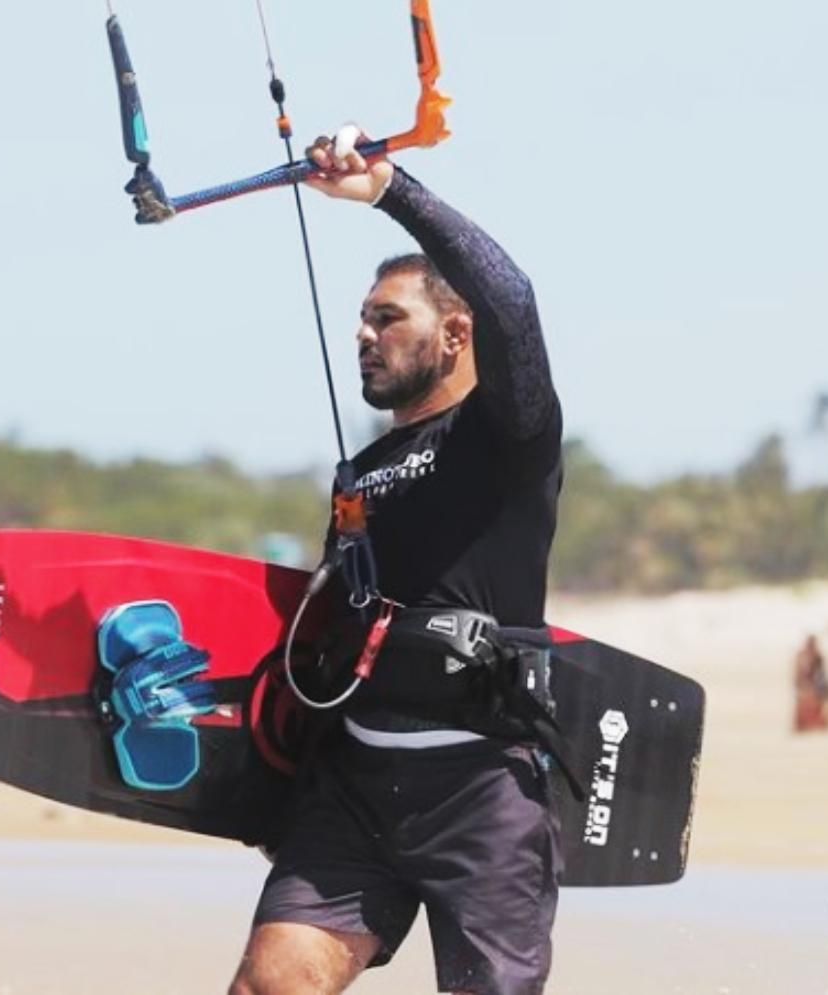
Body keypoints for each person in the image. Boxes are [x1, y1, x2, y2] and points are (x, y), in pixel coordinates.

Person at [228, 131, 564, 995]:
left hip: (482, 787)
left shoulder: (506, 436)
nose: (363, 334)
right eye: (362, 318)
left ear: (455, 333)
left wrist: (391, 189)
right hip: (356, 786)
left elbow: (513, 299)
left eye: (387, 318)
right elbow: (319, 636)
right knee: (271, 984)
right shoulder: (359, 473)